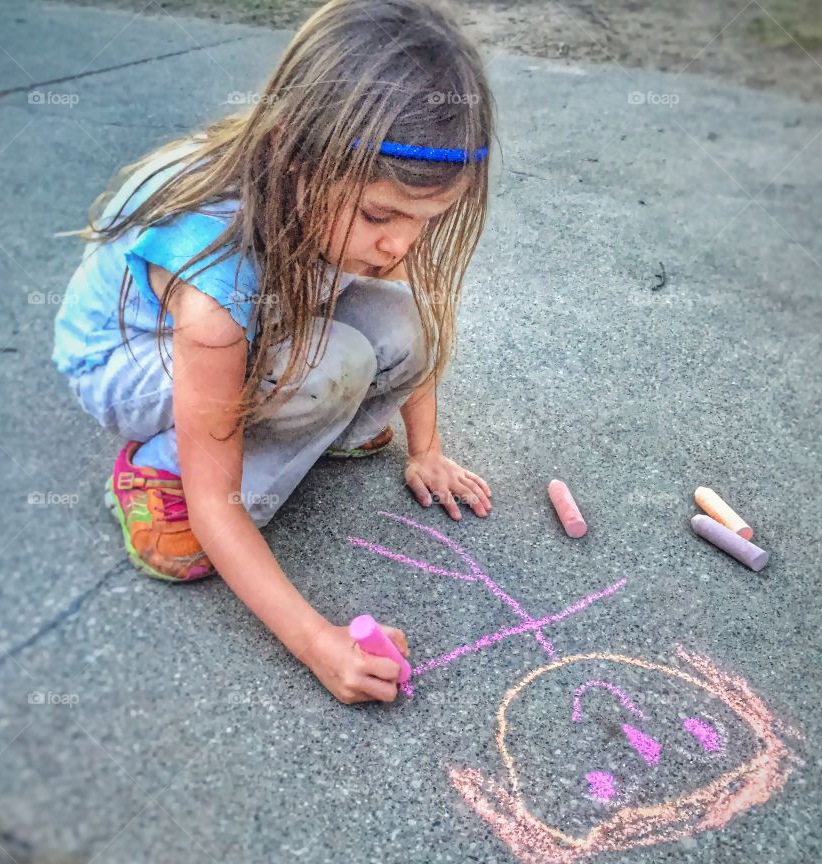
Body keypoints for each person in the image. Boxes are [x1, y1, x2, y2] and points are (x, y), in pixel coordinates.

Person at [51, 0, 496, 704]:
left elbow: (412, 297)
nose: (400, 244)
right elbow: (216, 504)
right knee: (326, 368)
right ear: (295, 154)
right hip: (125, 361)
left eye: (425, 221)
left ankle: (307, 421)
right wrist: (321, 645)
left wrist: (427, 448)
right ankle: (153, 470)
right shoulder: (214, 271)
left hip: (245, 312)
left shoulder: (341, 199)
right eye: (381, 215)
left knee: (411, 326)